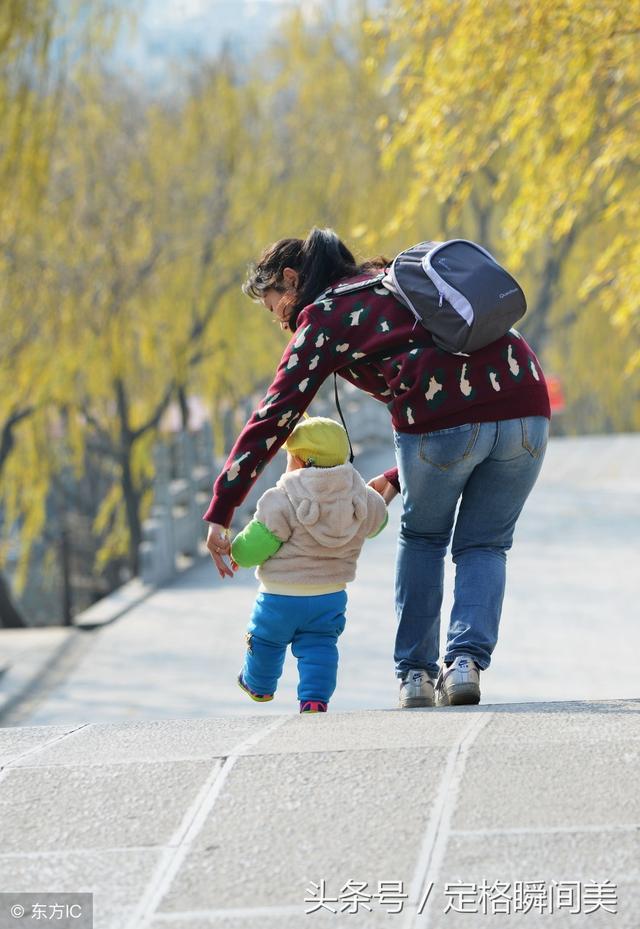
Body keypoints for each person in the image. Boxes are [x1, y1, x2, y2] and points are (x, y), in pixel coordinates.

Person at [204, 227, 550, 708]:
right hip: (527, 407)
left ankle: (416, 675)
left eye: (275, 306)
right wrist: (397, 472)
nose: (282, 322)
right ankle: (466, 663)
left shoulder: (323, 315)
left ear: (291, 278)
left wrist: (222, 507)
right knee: (486, 544)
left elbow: (275, 415)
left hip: (441, 423)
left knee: (425, 538)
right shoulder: (391, 278)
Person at [230, 416, 387, 713]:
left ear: (301, 461)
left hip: (280, 595)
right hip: (329, 596)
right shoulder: (361, 497)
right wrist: (380, 492)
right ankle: (315, 699)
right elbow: (379, 522)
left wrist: (236, 553)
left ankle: (258, 685)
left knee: (264, 639)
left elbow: (254, 547)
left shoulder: (282, 499)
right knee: (319, 647)